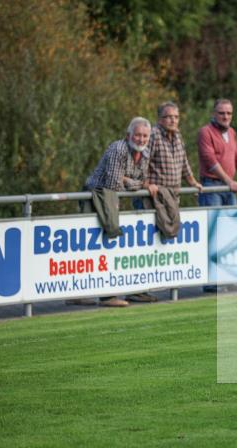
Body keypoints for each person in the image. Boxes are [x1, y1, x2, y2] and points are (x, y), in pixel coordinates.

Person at [71, 117, 156, 307]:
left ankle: (101, 295)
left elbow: (138, 178)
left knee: (107, 247)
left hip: (112, 201)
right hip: (94, 197)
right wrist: (137, 184)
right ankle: (96, 296)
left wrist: (132, 181)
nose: (141, 139)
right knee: (90, 247)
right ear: (128, 135)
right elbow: (114, 184)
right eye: (138, 135)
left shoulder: (147, 152)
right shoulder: (118, 148)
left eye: (145, 136)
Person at [137, 101, 203, 303]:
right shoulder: (154, 134)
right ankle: (138, 289)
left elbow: (184, 162)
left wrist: (192, 181)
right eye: (168, 117)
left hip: (172, 197)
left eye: (176, 116)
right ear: (160, 119)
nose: (173, 120)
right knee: (145, 244)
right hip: (153, 199)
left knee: (161, 243)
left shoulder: (178, 136)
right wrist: (145, 182)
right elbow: (142, 160)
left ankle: (151, 286)